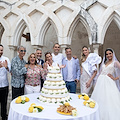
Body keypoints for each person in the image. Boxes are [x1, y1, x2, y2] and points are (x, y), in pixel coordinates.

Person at [91, 48, 120, 120]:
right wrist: (96, 83)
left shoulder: (115, 62)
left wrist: (115, 78)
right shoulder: (105, 63)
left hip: (109, 82)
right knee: (99, 98)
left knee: (109, 99)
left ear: (113, 54)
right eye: (107, 54)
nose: (108, 55)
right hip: (100, 82)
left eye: (110, 53)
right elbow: (100, 73)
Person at [0, 44, 11, 120]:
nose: (0, 52)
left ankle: (4, 117)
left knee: (4, 103)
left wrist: (6, 67)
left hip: (4, 86)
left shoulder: (6, 59)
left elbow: (10, 70)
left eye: (1, 50)